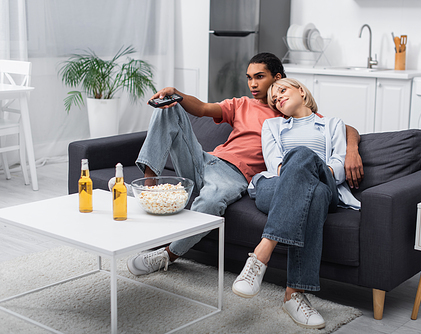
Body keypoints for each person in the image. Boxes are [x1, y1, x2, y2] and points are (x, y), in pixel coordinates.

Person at [124, 53, 364, 277]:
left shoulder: (290, 115)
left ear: (277, 78)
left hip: (232, 175)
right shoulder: (242, 104)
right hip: (204, 160)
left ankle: (168, 255)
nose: (253, 84)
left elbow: (342, 128)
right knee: (169, 104)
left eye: (259, 77)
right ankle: (149, 184)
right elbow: (203, 108)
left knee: (210, 202)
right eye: (249, 78)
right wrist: (177, 93)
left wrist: (351, 150)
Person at [231, 78, 361, 329]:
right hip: (276, 186)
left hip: (326, 182)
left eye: (282, 91)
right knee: (315, 194)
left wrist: (311, 167)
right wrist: (302, 173)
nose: (278, 98)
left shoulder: (333, 124)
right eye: (274, 99)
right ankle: (294, 295)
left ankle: (260, 257)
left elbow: (338, 165)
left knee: (305, 160)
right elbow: (275, 165)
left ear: (301, 91)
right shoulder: (272, 125)